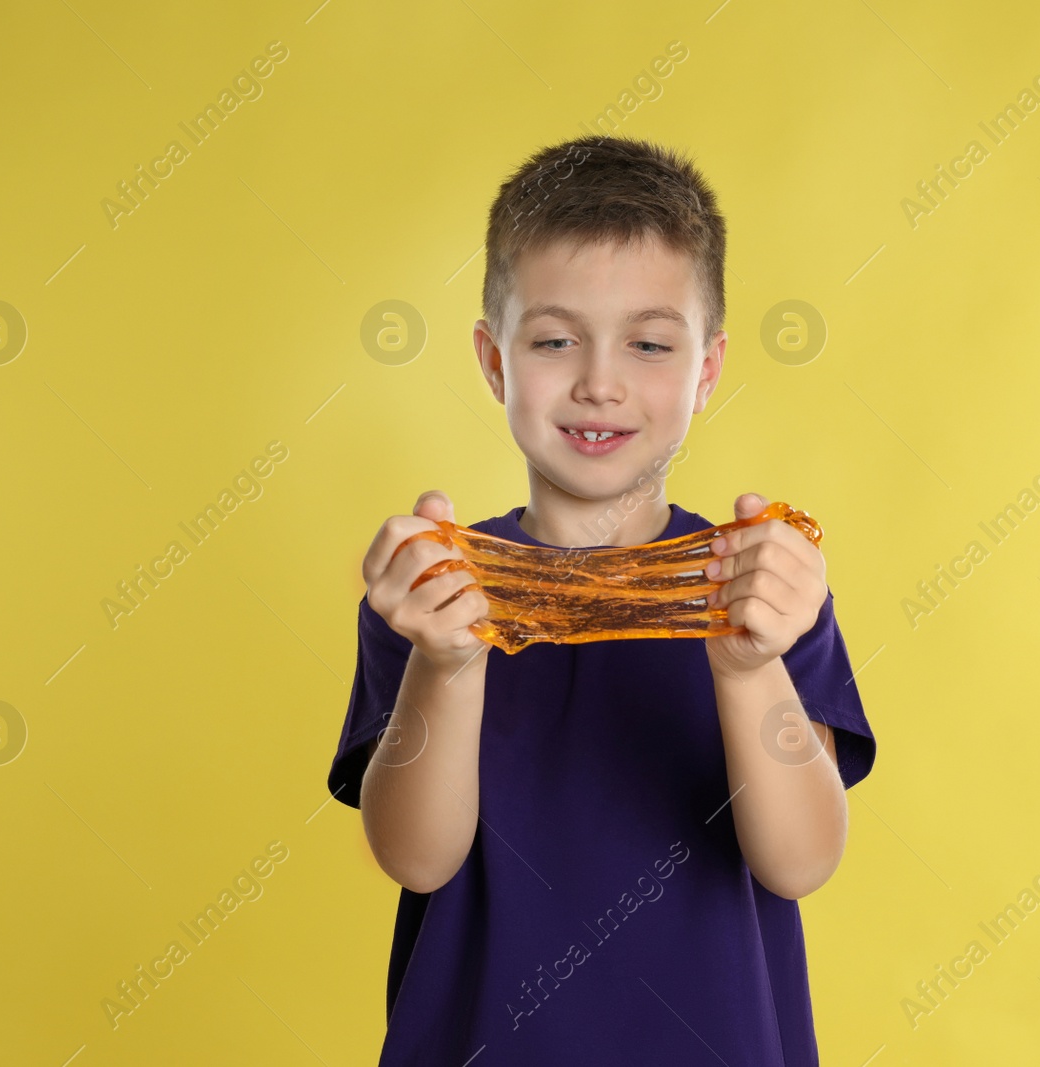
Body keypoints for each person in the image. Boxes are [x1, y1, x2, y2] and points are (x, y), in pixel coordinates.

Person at [329, 134, 877, 1065]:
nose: (600, 381)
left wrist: (747, 669)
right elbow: (418, 857)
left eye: (651, 343)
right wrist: (446, 663)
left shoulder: (764, 589)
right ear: (494, 361)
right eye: (554, 339)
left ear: (706, 371)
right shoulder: (433, 594)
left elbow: (802, 859)